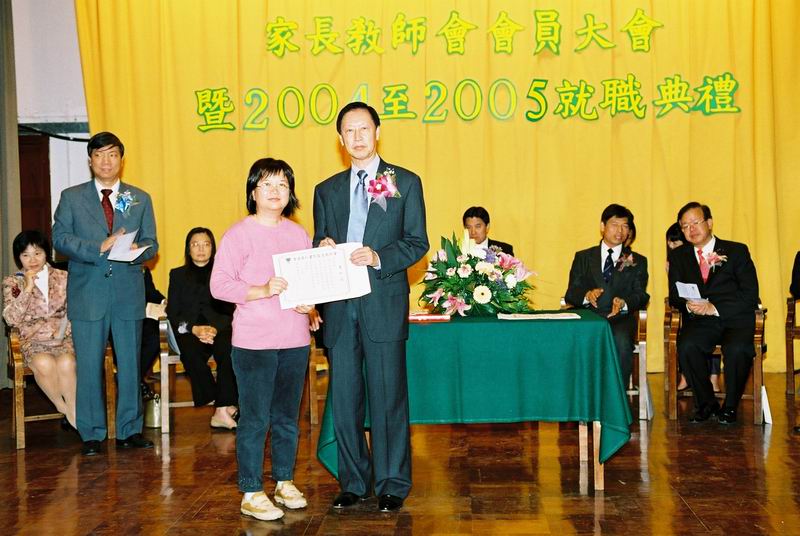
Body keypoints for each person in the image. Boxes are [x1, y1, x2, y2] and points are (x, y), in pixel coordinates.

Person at [313, 102, 429, 513]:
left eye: (364, 128)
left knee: (388, 397)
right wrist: (322, 246)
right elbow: (319, 241)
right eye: (349, 130)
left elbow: (417, 242)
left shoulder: (405, 182)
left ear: (377, 132)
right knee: (345, 400)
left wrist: (379, 257)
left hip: (383, 303)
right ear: (340, 139)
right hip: (340, 307)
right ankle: (353, 481)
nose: (357, 137)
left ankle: (392, 482)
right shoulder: (326, 190)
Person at [210, 158, 319, 522]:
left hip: (294, 339)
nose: (275, 192)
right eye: (267, 184)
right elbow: (219, 285)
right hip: (254, 342)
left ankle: (284, 481)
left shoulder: (298, 234)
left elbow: (306, 282)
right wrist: (260, 289)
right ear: (253, 192)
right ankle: (251, 491)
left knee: (287, 417)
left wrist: (309, 304)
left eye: (282, 185)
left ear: (291, 193)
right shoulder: (238, 235)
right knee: (255, 419)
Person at [52, 131, 158, 456]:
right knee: (88, 366)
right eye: (99, 155)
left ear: (121, 160)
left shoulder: (139, 197)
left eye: (112, 154)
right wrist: (98, 247)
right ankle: (91, 433)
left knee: (130, 364)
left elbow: (152, 243)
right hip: (88, 293)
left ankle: (129, 430)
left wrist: (137, 250)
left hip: (127, 292)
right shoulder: (72, 197)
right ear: (90, 161)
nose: (106, 161)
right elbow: (60, 238)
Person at [668, 202, 759, 424]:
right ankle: (706, 402)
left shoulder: (736, 251)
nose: (691, 229)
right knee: (687, 345)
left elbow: (750, 294)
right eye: (685, 226)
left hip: (734, 319)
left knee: (737, 349)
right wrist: (688, 305)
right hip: (701, 321)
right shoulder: (679, 256)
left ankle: (730, 406)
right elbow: (674, 294)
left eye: (695, 222)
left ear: (709, 223)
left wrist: (715, 308)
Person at [565, 204, 650, 386]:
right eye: (614, 224)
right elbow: (571, 292)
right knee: (570, 339)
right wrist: (587, 295)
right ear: (603, 226)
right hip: (588, 317)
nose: (620, 231)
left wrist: (624, 303)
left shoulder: (638, 261)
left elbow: (641, 295)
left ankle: (616, 396)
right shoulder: (583, 257)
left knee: (622, 342)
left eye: (625, 226)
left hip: (620, 319)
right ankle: (579, 394)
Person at [2, 230, 77, 429]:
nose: (32, 260)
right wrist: (27, 288)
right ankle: (65, 409)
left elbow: (74, 310)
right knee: (44, 363)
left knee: (67, 363)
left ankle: (74, 411)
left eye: (37, 253)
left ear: (46, 253)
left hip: (63, 339)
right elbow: (11, 319)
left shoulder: (64, 277)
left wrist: (64, 332)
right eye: (25, 255)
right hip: (33, 342)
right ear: (18, 258)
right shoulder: (12, 282)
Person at [168, 227, 237, 430]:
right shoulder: (177, 275)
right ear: (188, 249)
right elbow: (173, 312)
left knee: (229, 350)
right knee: (190, 352)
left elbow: (230, 309)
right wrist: (195, 329)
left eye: (206, 244)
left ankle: (221, 411)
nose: (200, 249)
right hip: (189, 330)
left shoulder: (224, 274)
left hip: (220, 329)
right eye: (195, 245)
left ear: (213, 248)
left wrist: (214, 329)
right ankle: (222, 403)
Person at [666, 223, 721, 393]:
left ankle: (713, 375)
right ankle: (686, 375)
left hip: (715, 309)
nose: (672, 247)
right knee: (685, 333)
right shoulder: (675, 260)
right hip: (691, 310)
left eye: (676, 243)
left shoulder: (710, 254)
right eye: (670, 244)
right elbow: (675, 293)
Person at [139, 266, 166, 398]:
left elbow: (150, 292)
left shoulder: (143, 268)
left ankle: (134, 378)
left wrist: (164, 301)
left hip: (141, 317)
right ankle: (135, 380)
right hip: (116, 318)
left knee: (157, 336)